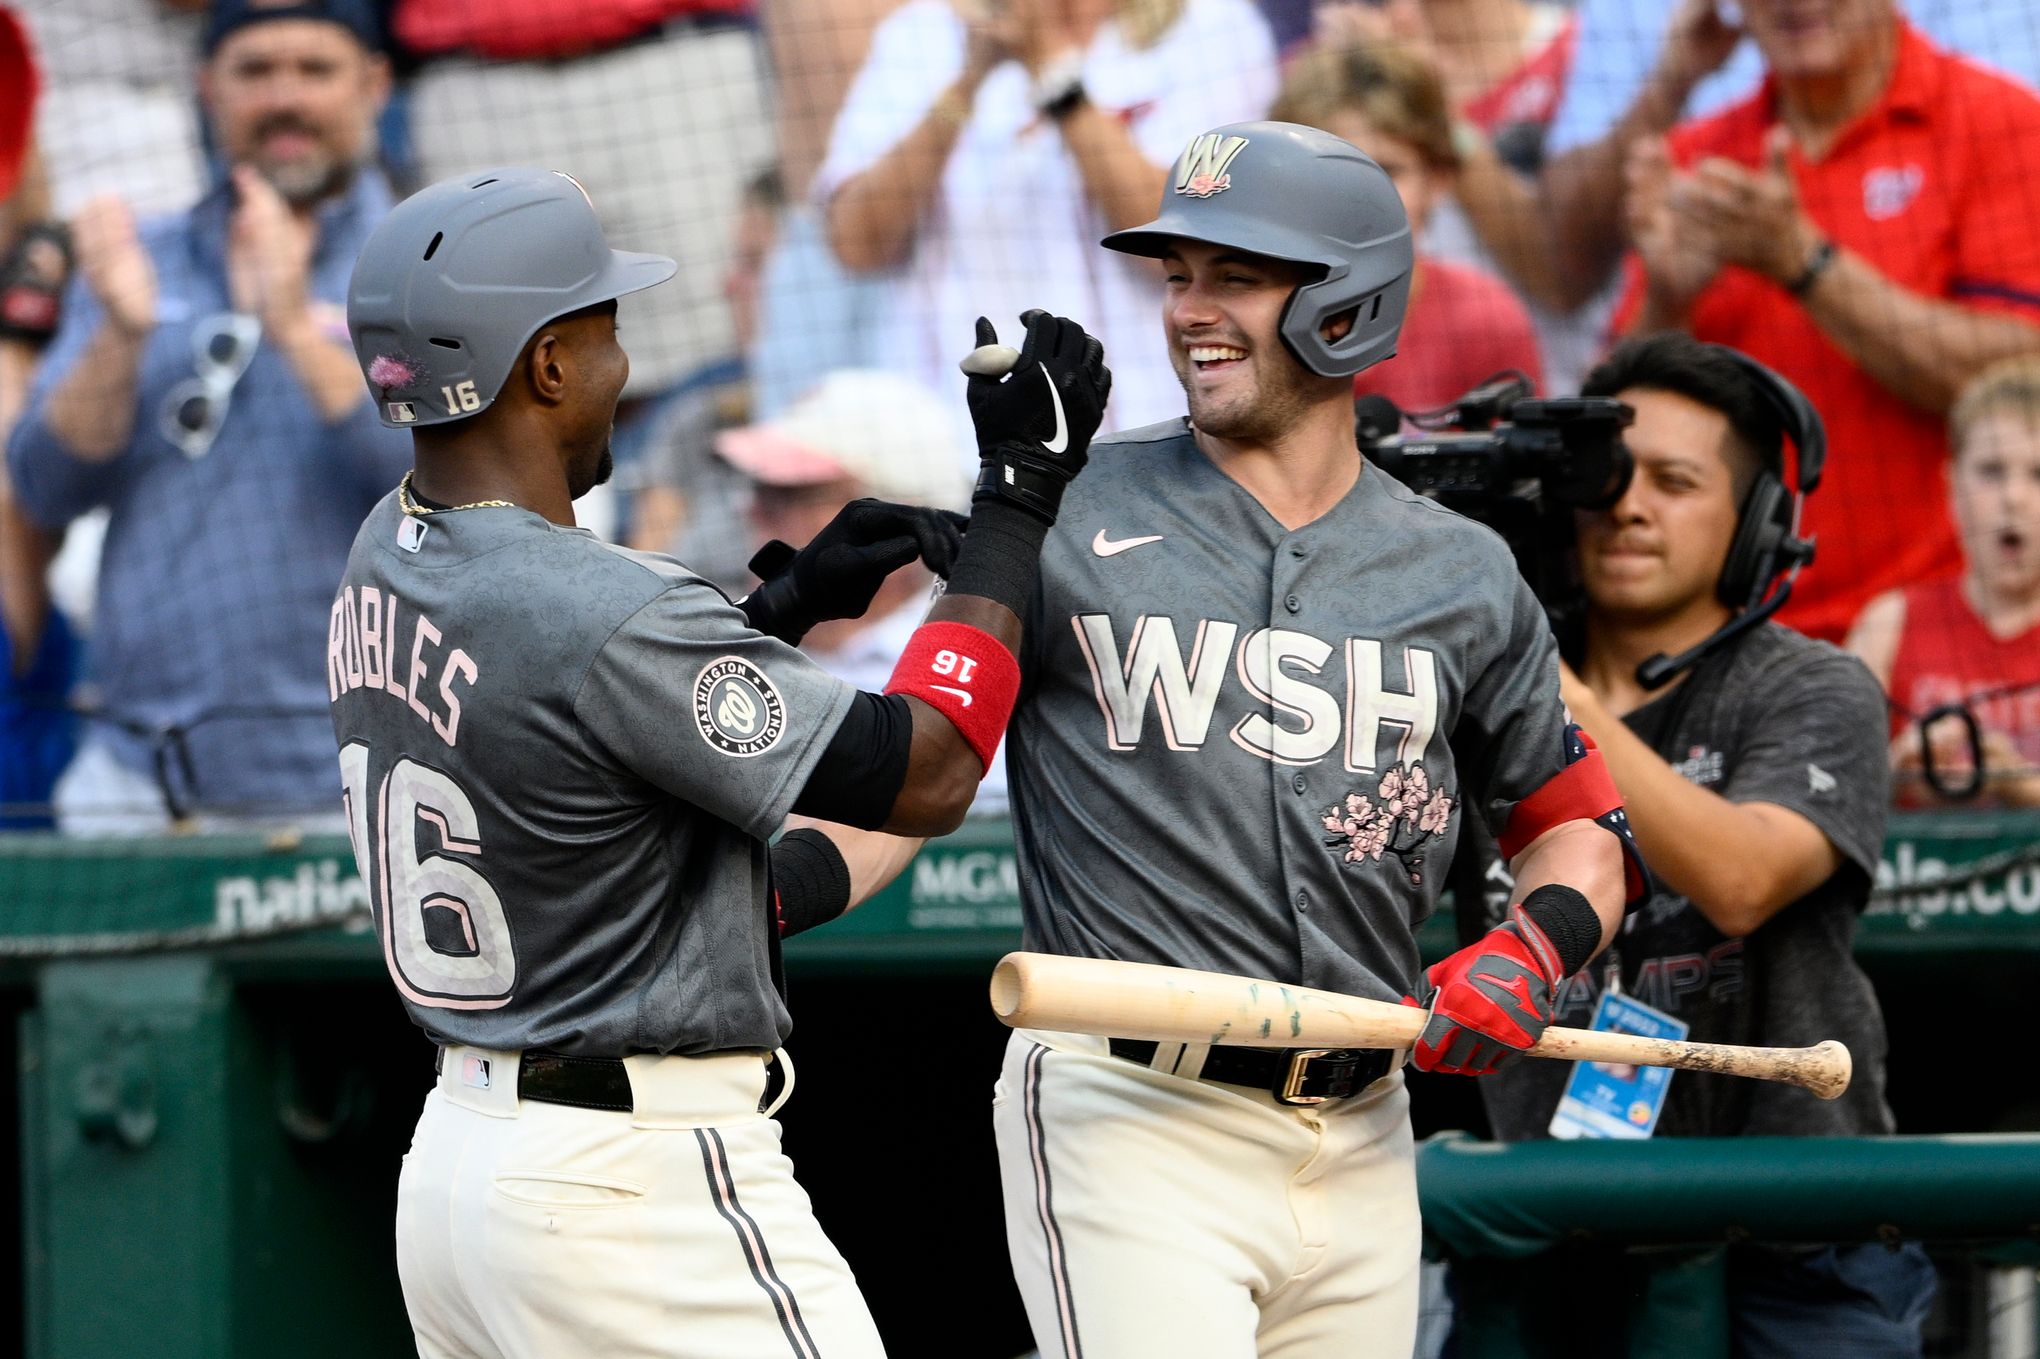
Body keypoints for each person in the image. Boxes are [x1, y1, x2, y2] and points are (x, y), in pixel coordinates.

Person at [334, 166, 1110, 1357]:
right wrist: (1016, 499)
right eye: (603, 333)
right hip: (634, 1189)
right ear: (542, 366)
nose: (616, 368)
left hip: (461, 1175)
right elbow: (931, 772)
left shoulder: (386, 546)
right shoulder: (596, 603)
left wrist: (775, 610)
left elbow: (588, 743)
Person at [988, 121, 1637, 1357]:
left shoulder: (1461, 570)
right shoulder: (1063, 511)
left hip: (1365, 1133)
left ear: (1346, 301)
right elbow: (920, 761)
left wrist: (1531, 948)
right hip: (1133, 1105)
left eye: (1234, 274)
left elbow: (1581, 834)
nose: (1190, 311)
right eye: (1175, 275)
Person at [1470, 332, 1933, 1354]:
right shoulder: (1481, 695)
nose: (1629, 508)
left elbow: (1742, 879)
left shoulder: (1812, 687)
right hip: (1547, 1227)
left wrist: (1558, 693)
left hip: (1800, 1237)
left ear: (1757, 522)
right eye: (1611, 479)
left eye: (1675, 483)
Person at [6, 0, 408, 831]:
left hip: (378, 792)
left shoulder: (426, 258)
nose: (283, 97)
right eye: (255, 72)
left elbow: (450, 486)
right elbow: (42, 489)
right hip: (143, 781)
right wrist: (118, 337)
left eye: (314, 70)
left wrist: (295, 326)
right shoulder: (138, 258)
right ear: (206, 88)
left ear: (375, 83)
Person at [1611, 0, 2040, 644]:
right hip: (1726, 639)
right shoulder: (1699, 158)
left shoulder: (1999, 121)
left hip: (1935, 638)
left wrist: (1803, 263)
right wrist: (1668, 301)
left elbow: (2019, 374)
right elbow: (1617, 421)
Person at [817, 0, 1278, 444]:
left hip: (1144, 433)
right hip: (953, 439)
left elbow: (1186, 242)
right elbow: (856, 246)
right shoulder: (920, 33)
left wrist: (1052, 70)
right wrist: (966, 84)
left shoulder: (1210, 24)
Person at [714, 367, 1011, 812]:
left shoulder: (983, 658)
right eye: (758, 490)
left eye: (794, 493)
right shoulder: (726, 637)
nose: (753, 512)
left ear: (900, 514)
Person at [1269, 38, 1545, 414]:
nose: (1359, 200)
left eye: (1387, 170)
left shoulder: (1487, 321)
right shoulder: (1256, 317)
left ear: (1438, 178)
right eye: (1331, 170)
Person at [1850, 354, 2040, 807]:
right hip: (1917, 870)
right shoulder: (1888, 623)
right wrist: (1897, 774)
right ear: (1951, 485)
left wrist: (2023, 789)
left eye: (2038, 475)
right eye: (1991, 471)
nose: (2013, 497)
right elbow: (1823, 790)